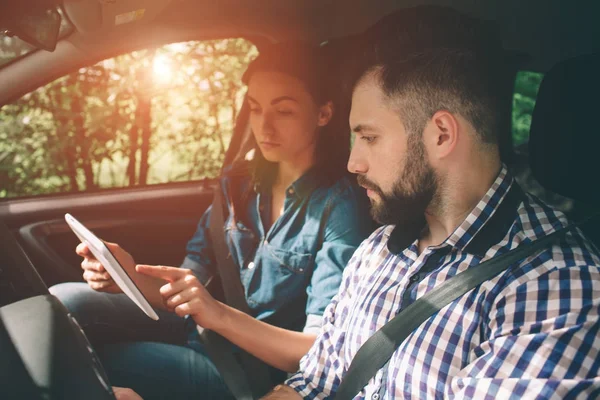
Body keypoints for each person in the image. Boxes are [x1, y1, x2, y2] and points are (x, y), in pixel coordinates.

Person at [261, 7, 600, 400]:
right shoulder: (376, 251)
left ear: (441, 134)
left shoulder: (556, 289)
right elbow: (312, 384)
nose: (353, 163)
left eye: (368, 137)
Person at [49, 42, 373, 400]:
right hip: (200, 327)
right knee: (61, 304)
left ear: (323, 114)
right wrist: (129, 276)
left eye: (283, 112)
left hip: (245, 369)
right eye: (254, 108)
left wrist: (216, 313)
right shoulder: (239, 183)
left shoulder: (340, 207)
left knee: (86, 360)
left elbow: (314, 353)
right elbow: (192, 281)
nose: (264, 126)